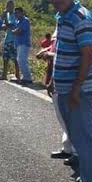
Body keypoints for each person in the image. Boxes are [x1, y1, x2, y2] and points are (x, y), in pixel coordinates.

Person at [47, 0, 92, 182]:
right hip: (66, 87)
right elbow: (62, 51)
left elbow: (87, 56)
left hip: (77, 89)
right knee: (77, 137)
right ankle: (88, 177)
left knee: (83, 137)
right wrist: (54, 79)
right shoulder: (64, 17)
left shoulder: (81, 18)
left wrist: (75, 89)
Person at [38, 29, 78, 162]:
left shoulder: (70, 27)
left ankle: (76, 152)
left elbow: (65, 56)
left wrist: (49, 54)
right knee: (62, 117)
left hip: (63, 80)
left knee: (68, 118)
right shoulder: (61, 26)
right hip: (56, 77)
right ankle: (68, 148)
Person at [0, 0, 20, 81]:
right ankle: (4, 75)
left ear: (13, 6)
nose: (8, 7)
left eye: (10, 6)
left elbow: (10, 25)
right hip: (7, 38)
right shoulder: (7, 14)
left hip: (13, 40)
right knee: (5, 57)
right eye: (7, 6)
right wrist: (3, 15)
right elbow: (1, 24)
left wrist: (5, 19)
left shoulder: (14, 15)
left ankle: (17, 75)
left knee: (15, 58)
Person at [12, 7, 33, 85]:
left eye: (17, 12)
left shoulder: (25, 20)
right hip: (19, 43)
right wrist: (15, 31)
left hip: (24, 43)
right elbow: (16, 31)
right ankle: (25, 77)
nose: (16, 14)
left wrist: (14, 31)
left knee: (22, 61)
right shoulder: (18, 21)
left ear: (22, 12)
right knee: (20, 60)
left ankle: (28, 78)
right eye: (15, 13)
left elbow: (19, 31)